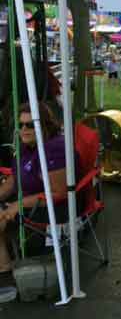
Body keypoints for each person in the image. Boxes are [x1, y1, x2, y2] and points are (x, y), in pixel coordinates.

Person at [0, 102, 68, 279]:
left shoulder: (53, 149)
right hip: (30, 202)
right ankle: (5, 265)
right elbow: (15, 179)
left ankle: (5, 269)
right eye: (20, 124)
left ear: (44, 125)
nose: (24, 129)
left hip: (53, 209)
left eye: (30, 124)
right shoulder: (26, 146)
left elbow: (58, 193)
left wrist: (17, 205)